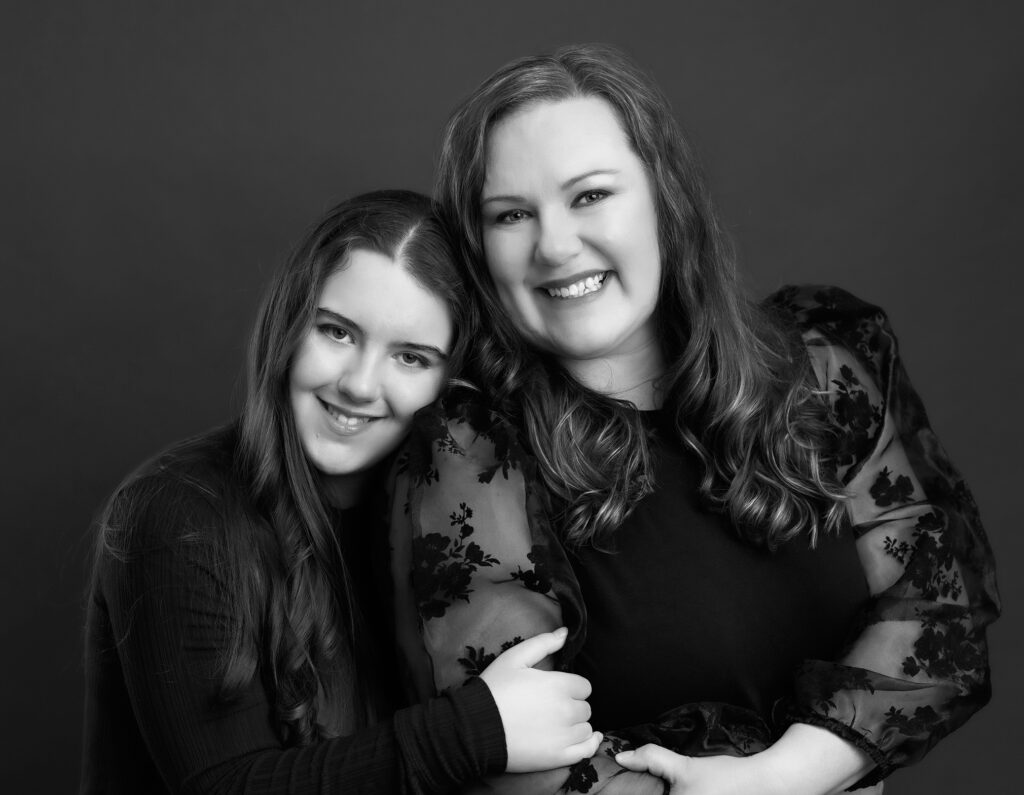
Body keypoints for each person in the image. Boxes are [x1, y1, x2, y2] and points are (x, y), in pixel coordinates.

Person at [388, 46, 1000, 794]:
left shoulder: (820, 366)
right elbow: (513, 755)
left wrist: (786, 775)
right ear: (481, 250)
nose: (554, 244)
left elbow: (938, 609)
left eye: (589, 195)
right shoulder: (473, 453)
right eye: (511, 214)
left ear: (664, 200)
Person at [81, 190, 602, 794]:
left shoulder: (445, 523)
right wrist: (478, 728)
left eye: (410, 357)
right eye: (338, 333)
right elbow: (221, 785)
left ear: (452, 380)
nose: (358, 384)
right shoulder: (177, 512)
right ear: (289, 325)